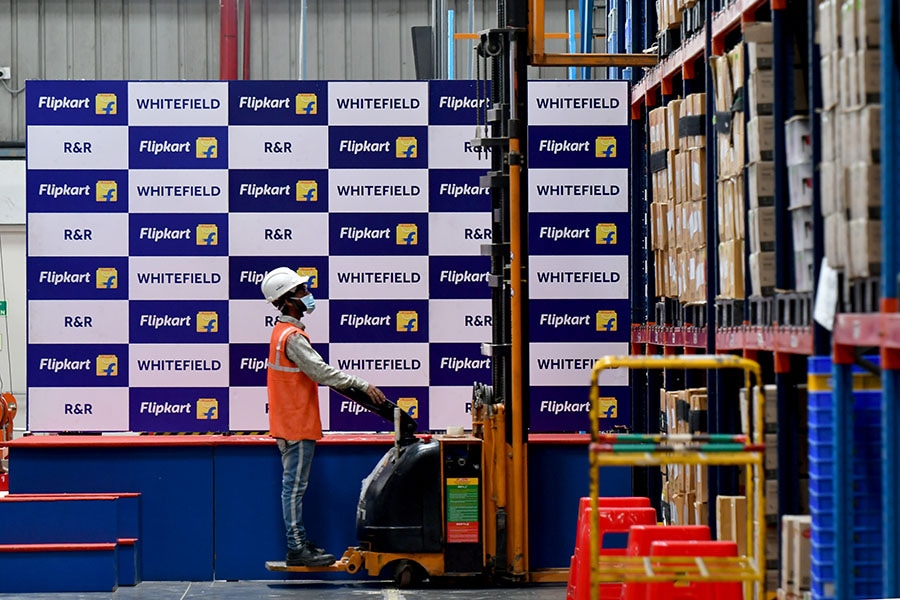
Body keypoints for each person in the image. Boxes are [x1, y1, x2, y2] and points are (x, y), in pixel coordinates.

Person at [261, 266, 387, 567]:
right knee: (293, 488)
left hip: (291, 422)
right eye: (302, 291)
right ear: (288, 300)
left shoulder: (284, 333)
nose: (308, 295)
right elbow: (321, 372)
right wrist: (360, 384)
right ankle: (297, 547)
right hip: (296, 424)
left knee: (293, 487)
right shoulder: (291, 337)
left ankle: (299, 544)